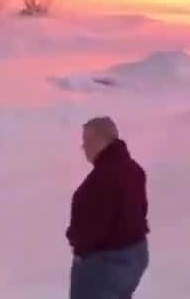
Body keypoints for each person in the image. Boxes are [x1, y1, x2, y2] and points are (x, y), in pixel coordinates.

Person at [67, 117, 149, 299]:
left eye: (87, 141)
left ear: (102, 141)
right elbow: (140, 211)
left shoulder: (102, 179)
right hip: (135, 255)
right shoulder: (134, 169)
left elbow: (93, 228)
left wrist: (77, 243)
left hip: (107, 262)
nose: (84, 147)